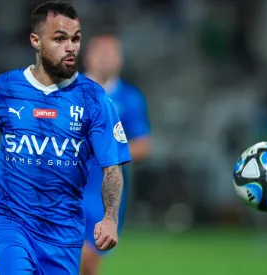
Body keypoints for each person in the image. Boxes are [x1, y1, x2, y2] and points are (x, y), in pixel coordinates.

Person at [0, 2, 131, 274]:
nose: (71, 47)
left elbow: (112, 168)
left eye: (76, 38)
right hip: (8, 221)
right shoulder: (4, 88)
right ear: (35, 40)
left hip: (63, 233)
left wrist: (110, 218)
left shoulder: (95, 99)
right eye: (59, 38)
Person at [80, 34, 151, 275]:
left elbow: (143, 145)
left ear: (120, 61)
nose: (106, 59)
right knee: (69, 254)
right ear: (88, 57)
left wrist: (108, 152)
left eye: (112, 54)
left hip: (105, 192)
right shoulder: (69, 92)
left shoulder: (130, 99)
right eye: (101, 53)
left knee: (89, 263)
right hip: (67, 185)